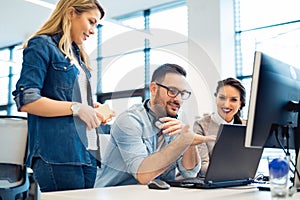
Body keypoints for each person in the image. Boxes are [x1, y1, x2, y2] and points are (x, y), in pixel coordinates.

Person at [12, 0, 112, 192]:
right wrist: (77, 107)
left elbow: (68, 98)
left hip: (87, 153)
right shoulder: (41, 45)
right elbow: (28, 99)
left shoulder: (79, 58)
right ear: (71, 13)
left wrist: (91, 107)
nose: (93, 30)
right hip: (58, 153)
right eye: (91, 22)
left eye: (96, 25)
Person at [94, 63, 216, 187]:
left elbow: (190, 173)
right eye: (172, 91)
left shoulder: (177, 121)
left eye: (182, 93)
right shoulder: (129, 120)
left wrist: (189, 142)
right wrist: (181, 142)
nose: (178, 100)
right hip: (114, 194)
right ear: (153, 89)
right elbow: (143, 175)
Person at [193, 77, 246, 176]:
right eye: (222, 98)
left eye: (233, 100)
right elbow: (203, 167)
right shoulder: (201, 125)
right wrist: (233, 173)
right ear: (216, 98)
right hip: (212, 183)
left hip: (238, 182)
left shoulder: (245, 127)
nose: (226, 104)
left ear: (240, 103)